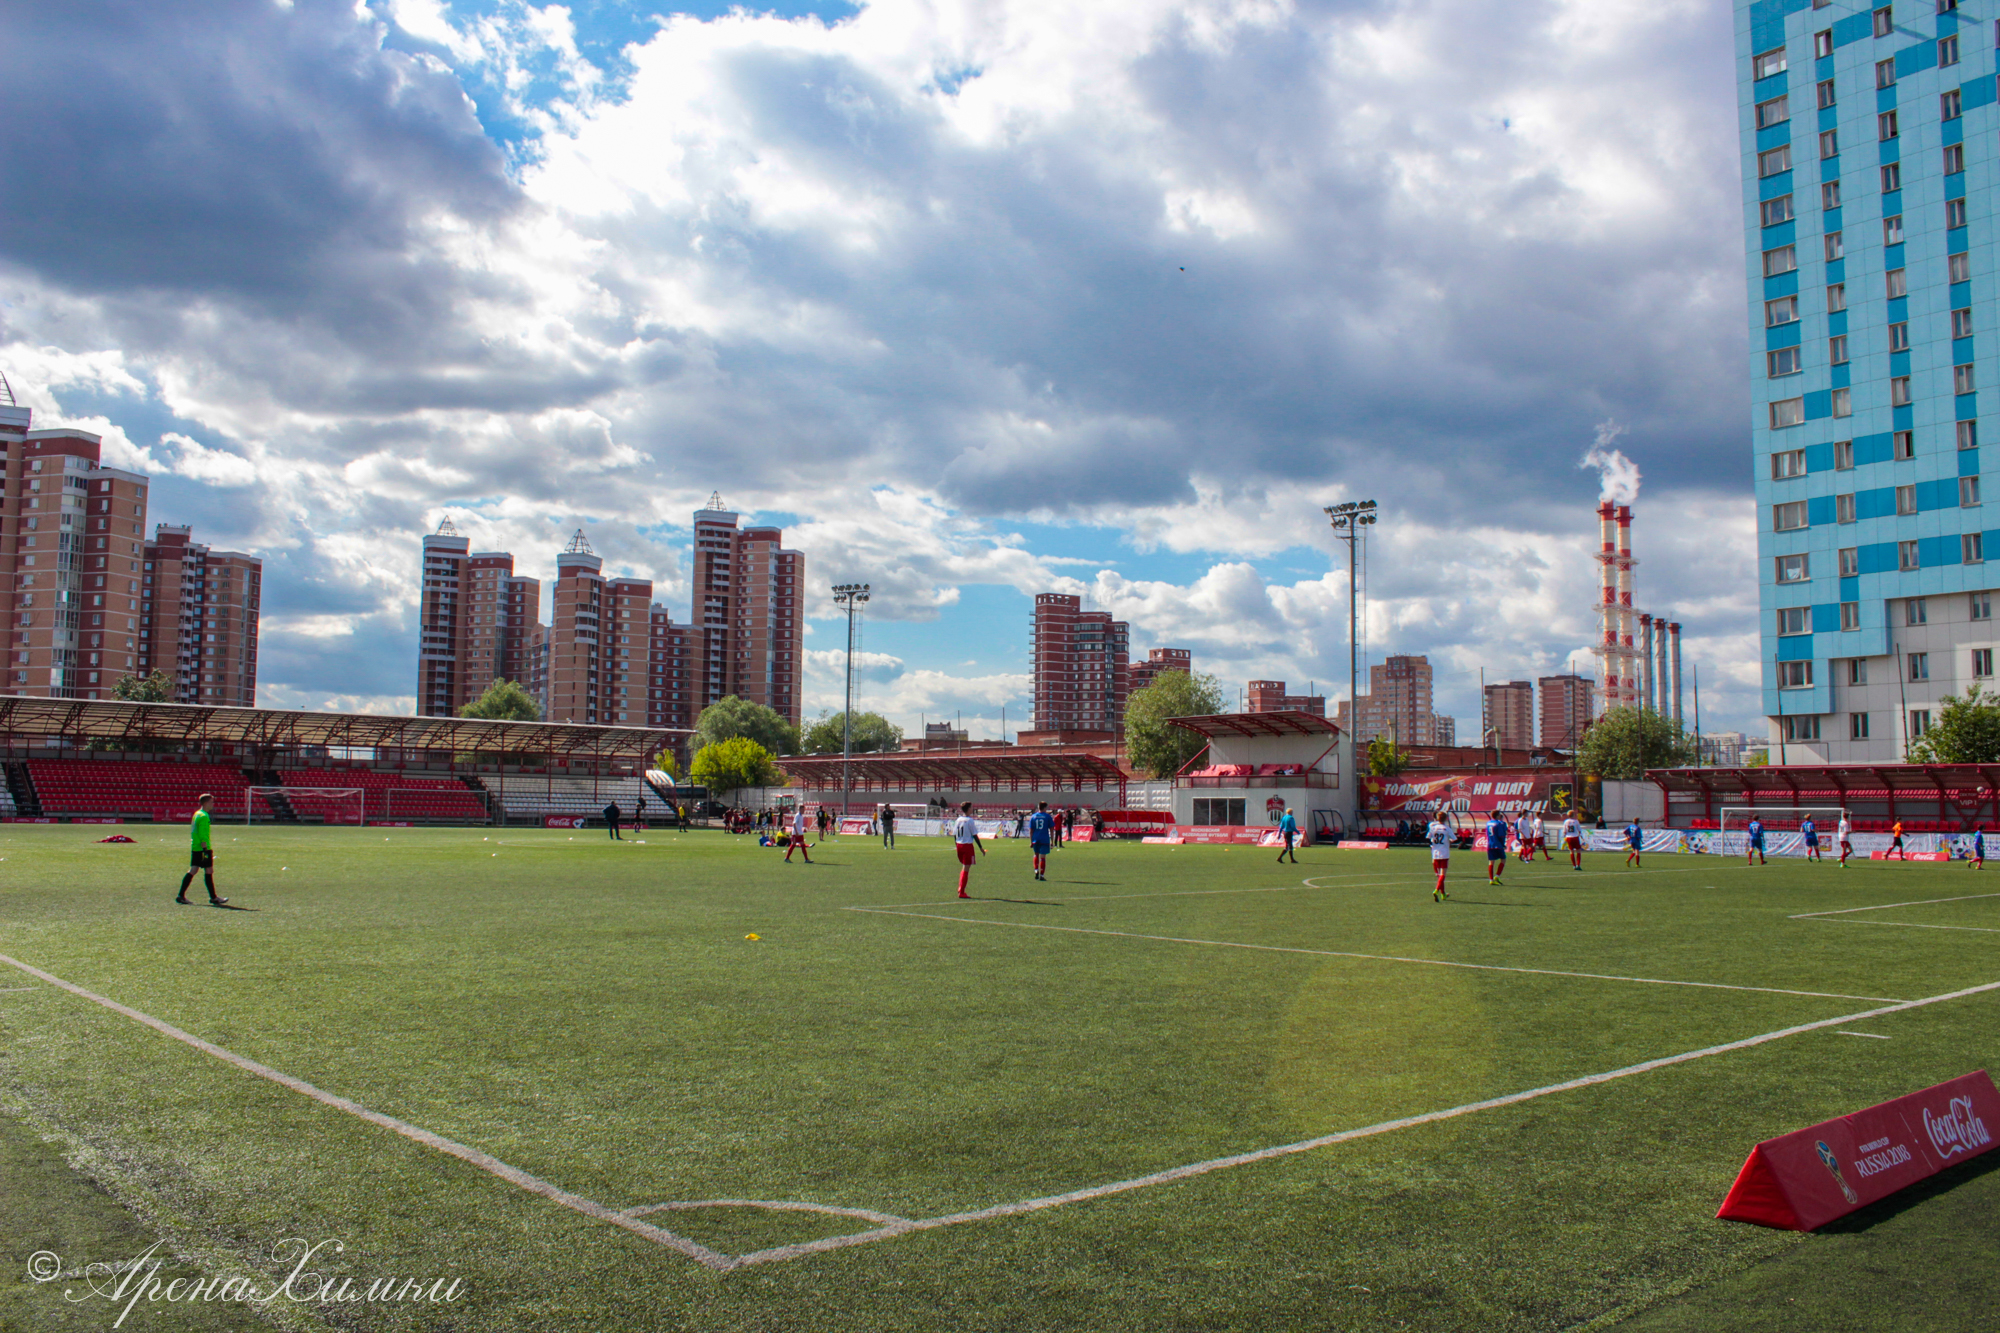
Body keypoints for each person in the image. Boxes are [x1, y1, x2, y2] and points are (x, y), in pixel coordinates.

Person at [175, 794, 228, 906]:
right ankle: (214, 898)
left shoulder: (197, 814)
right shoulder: (204, 816)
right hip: (203, 848)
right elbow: (203, 834)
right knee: (208, 871)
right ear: (205, 803)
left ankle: (181, 896)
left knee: (193, 870)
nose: (213, 804)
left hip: (195, 846)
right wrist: (205, 849)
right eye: (211, 802)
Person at [952, 801, 986, 897]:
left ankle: (961, 888)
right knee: (966, 868)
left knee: (964, 867)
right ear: (968, 809)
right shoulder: (970, 821)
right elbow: (975, 835)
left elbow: (954, 834)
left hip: (959, 845)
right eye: (971, 807)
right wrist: (981, 848)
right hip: (967, 846)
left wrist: (956, 845)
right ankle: (961, 891)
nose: (972, 809)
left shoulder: (958, 820)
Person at [1427, 813, 1453, 902]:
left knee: (1439, 875)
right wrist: (1448, 840)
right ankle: (1436, 890)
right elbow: (1454, 838)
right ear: (1446, 818)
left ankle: (1443, 894)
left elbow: (1428, 837)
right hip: (1444, 853)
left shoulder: (1433, 827)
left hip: (1435, 853)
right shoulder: (1447, 828)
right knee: (1443, 874)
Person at [1027, 801, 1056, 880]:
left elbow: (1031, 830)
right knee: (1042, 857)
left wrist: (1031, 841)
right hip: (1044, 839)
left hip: (1036, 839)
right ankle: (1042, 875)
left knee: (1036, 855)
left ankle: (1036, 870)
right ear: (1044, 808)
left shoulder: (1033, 816)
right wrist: (1052, 841)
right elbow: (1052, 829)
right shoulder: (1047, 817)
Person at [1485, 811, 1509, 884]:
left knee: (1491, 862)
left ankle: (1491, 880)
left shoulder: (1488, 823)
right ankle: (1497, 876)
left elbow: (1487, 834)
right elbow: (1501, 835)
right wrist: (1503, 844)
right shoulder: (1499, 824)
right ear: (1497, 815)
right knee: (1503, 860)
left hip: (1490, 844)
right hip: (1497, 844)